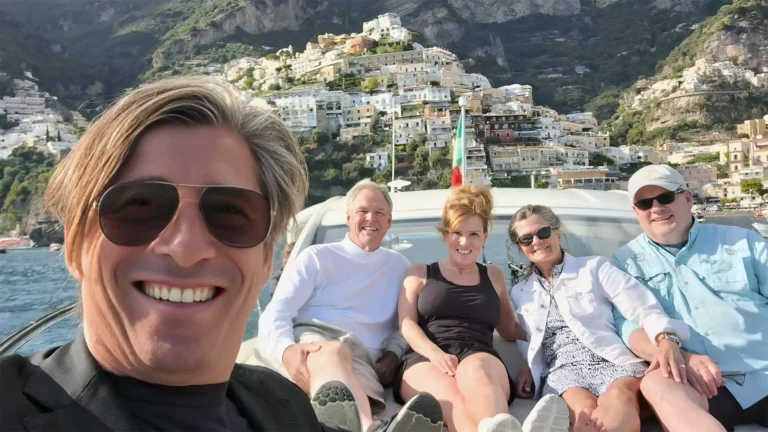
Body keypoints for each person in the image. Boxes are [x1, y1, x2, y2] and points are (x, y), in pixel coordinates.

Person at [0, 76, 362, 430]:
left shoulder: (284, 404)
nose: (186, 249)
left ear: (266, 257)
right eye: (141, 205)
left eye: (229, 212)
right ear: (77, 244)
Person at [258, 179, 444, 432]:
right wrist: (285, 350)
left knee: (348, 403)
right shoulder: (316, 258)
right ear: (348, 218)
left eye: (379, 213)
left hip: (364, 361)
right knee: (334, 352)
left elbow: (405, 322)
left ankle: (368, 426)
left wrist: (392, 353)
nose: (371, 218)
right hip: (315, 343)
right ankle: (374, 428)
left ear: (389, 223)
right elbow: (276, 314)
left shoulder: (400, 266)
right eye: (362, 211)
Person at [396, 185, 570, 432]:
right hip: (425, 357)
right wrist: (435, 353)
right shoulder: (420, 272)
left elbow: (509, 329)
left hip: (479, 353)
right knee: (451, 397)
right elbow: (406, 323)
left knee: (477, 373)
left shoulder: (494, 275)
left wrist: (555, 336)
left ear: (485, 237)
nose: (465, 242)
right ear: (445, 234)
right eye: (457, 232)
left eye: (474, 234)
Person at [509, 204, 694, 432]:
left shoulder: (594, 267)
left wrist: (665, 337)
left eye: (543, 233)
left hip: (612, 360)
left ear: (557, 233)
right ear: (521, 247)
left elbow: (642, 306)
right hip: (562, 370)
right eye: (526, 239)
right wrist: (530, 365)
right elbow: (529, 336)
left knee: (619, 396)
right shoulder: (520, 291)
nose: (536, 241)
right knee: (584, 410)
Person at [613, 164, 768, 431]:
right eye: (645, 202)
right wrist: (681, 357)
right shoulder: (623, 263)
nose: (657, 208)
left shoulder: (744, 242)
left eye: (665, 197)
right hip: (697, 385)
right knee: (655, 384)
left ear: (687, 198)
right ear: (636, 211)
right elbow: (626, 327)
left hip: (763, 372)